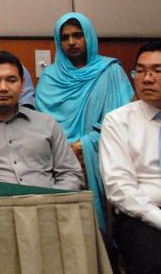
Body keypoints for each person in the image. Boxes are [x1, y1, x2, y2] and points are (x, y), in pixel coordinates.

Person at [36, 12, 133, 229]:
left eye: (78, 35)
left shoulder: (110, 71)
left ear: (89, 36)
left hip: (103, 155)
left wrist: (84, 145)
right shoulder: (50, 77)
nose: (71, 42)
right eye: (65, 37)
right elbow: (43, 124)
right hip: (58, 160)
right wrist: (65, 148)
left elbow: (123, 120)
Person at [0, 51, 82, 190]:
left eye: (11, 80)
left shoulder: (47, 124)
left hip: (48, 207)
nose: (3, 88)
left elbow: (70, 174)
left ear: (22, 84)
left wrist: (52, 203)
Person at [100, 41, 161, 274]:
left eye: (157, 70)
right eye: (141, 70)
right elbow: (120, 189)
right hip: (142, 218)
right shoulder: (118, 121)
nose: (147, 78)